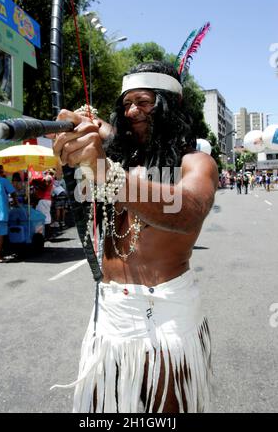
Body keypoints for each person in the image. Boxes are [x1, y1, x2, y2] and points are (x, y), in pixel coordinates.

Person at [52, 61, 218, 413]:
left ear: (168, 104)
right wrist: (81, 134)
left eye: (143, 102)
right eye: (126, 103)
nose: (132, 111)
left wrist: (106, 172)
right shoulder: (120, 156)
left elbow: (188, 210)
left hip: (166, 314)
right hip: (110, 310)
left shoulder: (196, 162)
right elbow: (107, 135)